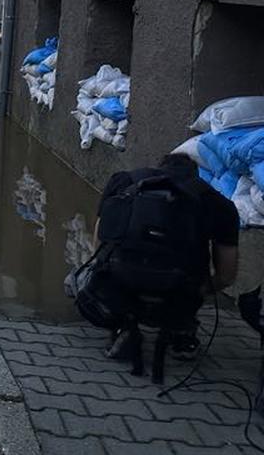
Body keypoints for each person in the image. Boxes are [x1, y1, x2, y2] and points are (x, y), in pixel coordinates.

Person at [73, 154, 238, 371]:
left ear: (158, 168)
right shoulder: (217, 203)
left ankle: (123, 324)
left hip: (120, 280)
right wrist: (201, 289)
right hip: (178, 287)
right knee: (190, 280)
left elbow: (101, 240)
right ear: (195, 177)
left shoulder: (125, 181)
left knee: (99, 273)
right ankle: (181, 332)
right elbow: (227, 275)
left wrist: (102, 270)